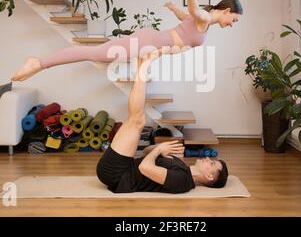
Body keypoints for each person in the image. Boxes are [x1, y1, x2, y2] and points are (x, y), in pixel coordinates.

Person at [11, 0, 243, 81]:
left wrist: (173, 8)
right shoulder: (205, 17)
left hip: (150, 45)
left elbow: (186, 17)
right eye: (234, 20)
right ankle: (39, 62)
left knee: (98, 56)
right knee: (94, 53)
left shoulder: (205, 22)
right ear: (226, 11)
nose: (232, 24)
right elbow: (194, 11)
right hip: (148, 42)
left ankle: (40, 63)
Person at [96, 54, 228, 193]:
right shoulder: (182, 166)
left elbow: (144, 167)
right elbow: (145, 153)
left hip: (117, 175)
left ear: (209, 176)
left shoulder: (183, 181)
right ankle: (142, 66)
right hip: (125, 166)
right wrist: (159, 148)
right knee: (137, 120)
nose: (208, 158)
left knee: (137, 120)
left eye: (212, 163)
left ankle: (142, 68)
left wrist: (159, 150)